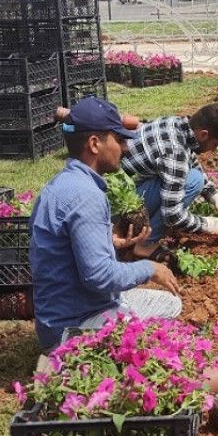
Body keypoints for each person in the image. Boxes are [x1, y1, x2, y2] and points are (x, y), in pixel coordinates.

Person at [29, 96, 182, 351]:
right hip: (73, 330)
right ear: (94, 144)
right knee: (170, 306)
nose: (125, 148)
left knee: (153, 304)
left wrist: (108, 241)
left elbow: (60, 251)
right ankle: (85, 358)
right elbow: (99, 277)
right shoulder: (87, 196)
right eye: (119, 139)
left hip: (55, 319)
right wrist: (150, 268)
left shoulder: (60, 185)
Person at [120, 102, 218, 259]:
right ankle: (145, 246)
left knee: (192, 177)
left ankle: (142, 232)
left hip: (123, 192)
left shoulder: (176, 124)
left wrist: (216, 199)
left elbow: (190, 160)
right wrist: (207, 224)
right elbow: (172, 215)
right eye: (216, 144)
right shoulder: (175, 152)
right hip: (117, 210)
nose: (214, 150)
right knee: (193, 181)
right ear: (204, 135)